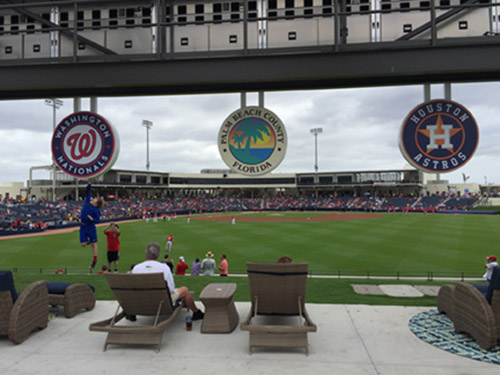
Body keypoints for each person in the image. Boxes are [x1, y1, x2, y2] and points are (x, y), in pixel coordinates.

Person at [132, 243, 204, 320]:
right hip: (161, 302)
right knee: (184, 290)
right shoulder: (163, 268)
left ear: (146, 254)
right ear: (158, 255)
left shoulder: (136, 268)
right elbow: (171, 289)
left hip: (141, 301)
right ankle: (196, 313)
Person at [80, 181, 103, 269]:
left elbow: (98, 220)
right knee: (83, 244)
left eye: (94, 200)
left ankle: (94, 260)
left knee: (94, 244)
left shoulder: (96, 210)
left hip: (90, 227)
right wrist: (89, 184)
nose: (92, 199)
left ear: (96, 204)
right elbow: (88, 193)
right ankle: (89, 241)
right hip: (83, 226)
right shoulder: (87, 203)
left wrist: (92, 219)